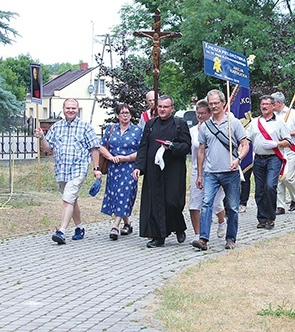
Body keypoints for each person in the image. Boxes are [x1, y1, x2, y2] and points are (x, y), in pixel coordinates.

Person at [34, 98, 102, 244]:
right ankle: (79, 227)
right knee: (71, 199)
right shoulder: (57, 127)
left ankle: (61, 231)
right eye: (68, 108)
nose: (71, 110)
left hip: (78, 168)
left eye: (73, 108)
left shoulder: (85, 127)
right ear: (63, 109)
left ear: (78, 109)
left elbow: (95, 148)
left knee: (67, 198)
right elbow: (48, 148)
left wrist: (96, 169)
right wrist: (42, 137)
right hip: (61, 170)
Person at [192, 90, 249, 251]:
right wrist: (200, 174)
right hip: (211, 172)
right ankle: (203, 239)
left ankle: (230, 238)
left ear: (223, 103)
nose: (214, 106)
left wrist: (238, 159)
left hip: (230, 172)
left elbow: (245, 144)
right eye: (211, 103)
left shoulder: (234, 123)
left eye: (216, 103)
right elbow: (201, 150)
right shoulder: (205, 127)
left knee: (232, 206)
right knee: (206, 204)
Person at [133, 95, 191, 248]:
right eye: (160, 107)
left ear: (172, 108)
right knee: (155, 202)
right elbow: (143, 147)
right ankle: (159, 236)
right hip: (154, 170)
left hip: (173, 170)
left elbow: (186, 146)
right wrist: (138, 167)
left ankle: (179, 227)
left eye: (166, 107)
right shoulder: (150, 124)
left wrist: (172, 147)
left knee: (172, 202)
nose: (162, 110)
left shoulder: (180, 124)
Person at [99, 103, 143, 240]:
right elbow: (101, 146)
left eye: (128, 113)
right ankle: (128, 224)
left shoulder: (137, 130)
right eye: (122, 113)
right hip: (114, 168)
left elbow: (142, 151)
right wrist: (111, 157)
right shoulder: (111, 129)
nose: (125, 115)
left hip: (129, 167)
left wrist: (126, 158)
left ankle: (115, 226)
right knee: (116, 195)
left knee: (125, 194)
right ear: (117, 115)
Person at [247, 95, 291, 229]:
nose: (264, 107)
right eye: (262, 104)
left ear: (273, 106)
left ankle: (271, 217)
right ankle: (262, 218)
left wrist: (276, 143)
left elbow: (288, 141)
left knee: (270, 186)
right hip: (259, 158)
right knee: (259, 190)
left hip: (273, 158)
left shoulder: (280, 122)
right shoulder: (254, 122)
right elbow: (246, 139)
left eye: (267, 104)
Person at [188, 99, 227, 242]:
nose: (200, 116)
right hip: (196, 170)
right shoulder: (192, 131)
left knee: (216, 203)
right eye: (198, 113)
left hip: (214, 169)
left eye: (203, 113)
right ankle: (199, 235)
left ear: (209, 113)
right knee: (194, 204)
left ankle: (222, 221)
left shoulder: (215, 128)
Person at [272, 92, 295, 214]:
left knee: (288, 177)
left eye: (272, 103)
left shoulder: (293, 113)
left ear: (279, 103)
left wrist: (286, 133)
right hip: (277, 149)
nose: (271, 106)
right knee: (279, 178)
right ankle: (280, 205)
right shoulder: (272, 115)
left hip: (290, 149)